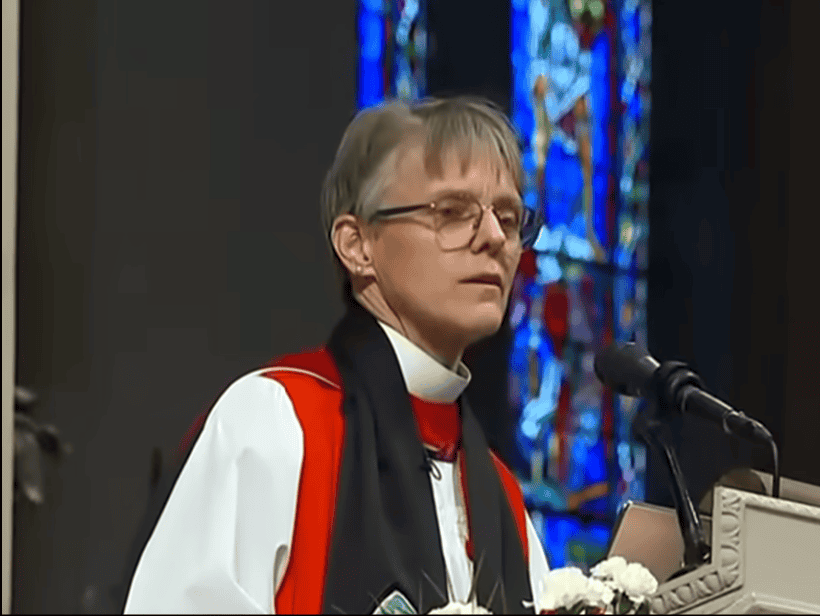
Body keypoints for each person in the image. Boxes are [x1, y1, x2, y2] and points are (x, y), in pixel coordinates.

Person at [122, 96, 550, 614]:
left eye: (508, 217)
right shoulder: (276, 421)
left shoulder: (500, 496)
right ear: (357, 245)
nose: (494, 238)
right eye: (453, 212)